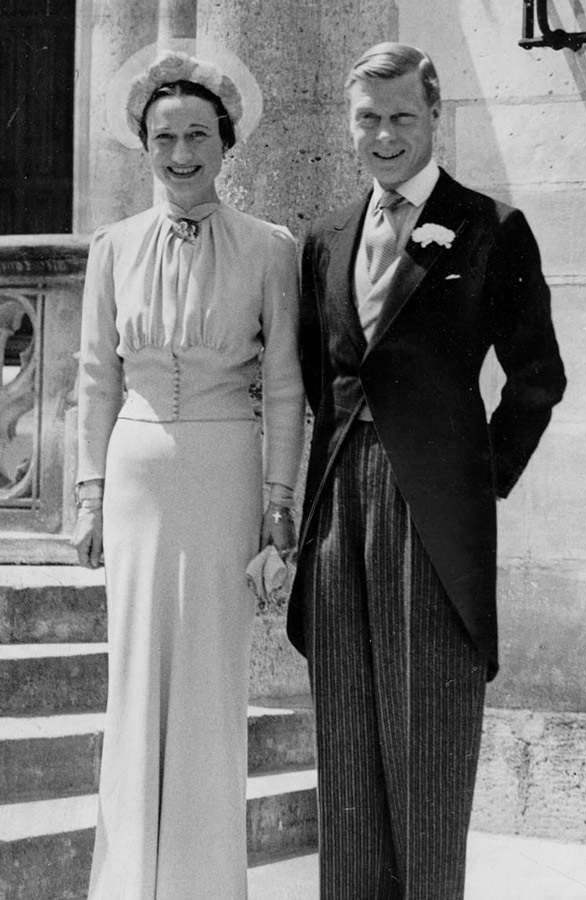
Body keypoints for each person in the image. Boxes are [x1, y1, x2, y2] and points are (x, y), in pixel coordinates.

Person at [287, 42, 566, 899]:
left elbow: (536, 376)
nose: (383, 134)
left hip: (431, 513)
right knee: (349, 749)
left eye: (402, 115)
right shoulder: (327, 236)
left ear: (434, 117)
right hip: (339, 501)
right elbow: (322, 374)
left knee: (428, 744)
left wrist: (474, 479)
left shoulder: (488, 226)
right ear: (349, 123)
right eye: (368, 117)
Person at [72, 49, 304, 900]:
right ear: (143, 144)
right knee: (133, 677)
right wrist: (89, 494)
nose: (181, 153)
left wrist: (279, 502)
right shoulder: (112, 247)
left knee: (211, 680)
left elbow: (283, 383)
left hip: (225, 470)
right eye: (164, 136)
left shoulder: (270, 248)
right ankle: (129, 883)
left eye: (198, 134)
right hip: (134, 474)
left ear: (225, 143)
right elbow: (94, 377)